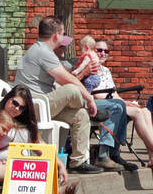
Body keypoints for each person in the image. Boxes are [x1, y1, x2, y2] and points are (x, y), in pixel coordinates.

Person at [0, 85, 79, 194]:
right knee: (24, 172)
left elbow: (40, 146)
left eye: (22, 108)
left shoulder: (23, 124)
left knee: (32, 170)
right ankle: (58, 193)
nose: (16, 108)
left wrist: (60, 165)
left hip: (4, 166)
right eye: (14, 103)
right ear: (8, 98)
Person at [13, 17, 102, 174]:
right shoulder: (42, 51)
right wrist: (89, 98)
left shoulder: (42, 50)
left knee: (80, 115)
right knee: (72, 89)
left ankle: (78, 162)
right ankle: (89, 107)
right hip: (33, 106)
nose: (63, 38)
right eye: (62, 34)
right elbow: (67, 79)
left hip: (44, 104)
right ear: (56, 35)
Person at [90, 37, 153, 169]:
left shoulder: (106, 71)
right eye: (99, 50)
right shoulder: (90, 67)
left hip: (113, 103)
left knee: (145, 111)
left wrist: (125, 102)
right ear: (92, 50)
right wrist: (121, 102)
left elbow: (114, 93)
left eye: (106, 51)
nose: (103, 53)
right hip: (100, 105)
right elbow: (97, 94)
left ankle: (152, 157)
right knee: (137, 112)